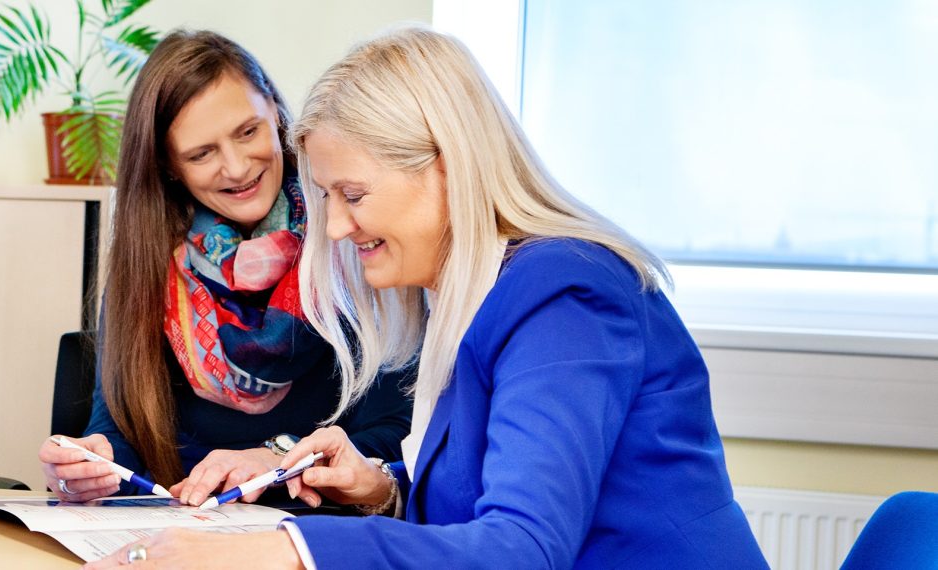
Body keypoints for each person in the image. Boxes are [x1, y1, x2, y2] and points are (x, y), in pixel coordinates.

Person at [83, 26, 768, 569]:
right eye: (325, 198)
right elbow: (482, 501)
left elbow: (522, 548)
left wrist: (280, 548)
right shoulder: (471, 292)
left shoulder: (565, 295)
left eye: (351, 196)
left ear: (446, 168)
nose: (339, 228)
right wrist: (380, 487)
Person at [38, 29, 412, 507]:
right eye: (201, 154)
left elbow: (399, 434)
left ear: (276, 115)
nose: (236, 168)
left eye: (248, 131)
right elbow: (120, 428)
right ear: (170, 166)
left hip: (322, 530)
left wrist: (280, 458)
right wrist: (92, 459)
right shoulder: (149, 265)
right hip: (184, 527)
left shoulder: (353, 235)